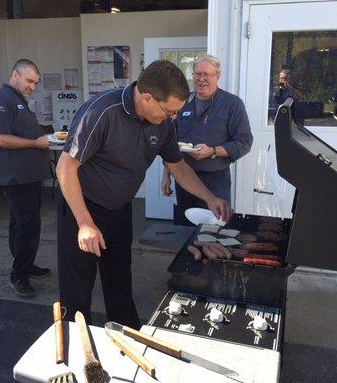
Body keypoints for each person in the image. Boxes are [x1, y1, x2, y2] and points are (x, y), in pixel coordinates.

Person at [55, 60, 231, 329]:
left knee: (119, 282)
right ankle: (75, 346)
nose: (173, 117)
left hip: (120, 209)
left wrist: (209, 197)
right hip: (83, 208)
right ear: (147, 97)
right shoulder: (102, 112)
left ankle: (127, 339)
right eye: (169, 110)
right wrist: (85, 223)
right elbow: (65, 167)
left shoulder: (162, 124)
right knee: (77, 288)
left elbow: (178, 166)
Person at [0, 59, 52, 298]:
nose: (32, 86)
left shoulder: (18, 100)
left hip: (29, 176)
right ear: (15, 75)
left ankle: (25, 264)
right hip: (16, 176)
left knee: (20, 223)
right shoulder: (2, 100)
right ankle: (19, 275)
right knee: (28, 225)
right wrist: (35, 142)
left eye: (35, 82)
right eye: (29, 81)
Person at [161, 55, 253, 225]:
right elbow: (171, 140)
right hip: (183, 178)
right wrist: (167, 173)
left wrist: (212, 151)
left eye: (207, 74)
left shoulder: (232, 104)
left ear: (217, 76)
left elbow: (244, 142)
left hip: (215, 180)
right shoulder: (183, 102)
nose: (201, 79)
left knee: (213, 230)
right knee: (185, 228)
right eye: (197, 74)